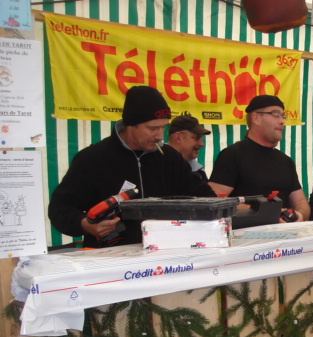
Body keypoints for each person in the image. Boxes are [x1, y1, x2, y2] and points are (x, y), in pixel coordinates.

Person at [48, 86, 216, 248]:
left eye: (163, 127)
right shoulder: (92, 158)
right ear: (130, 124)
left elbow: (204, 197)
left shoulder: (170, 158)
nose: (160, 135)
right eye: (152, 128)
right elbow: (60, 208)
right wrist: (85, 224)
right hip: (110, 258)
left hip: (164, 254)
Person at [208, 94, 310, 222]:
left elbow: (300, 201)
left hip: (286, 233)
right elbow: (215, 201)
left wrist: (300, 214)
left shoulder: (286, 161)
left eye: (283, 116)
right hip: (246, 233)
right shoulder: (233, 155)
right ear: (256, 118)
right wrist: (266, 212)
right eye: (275, 114)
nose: (282, 121)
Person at [166, 114, 211, 181]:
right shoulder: (156, 165)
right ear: (178, 138)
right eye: (196, 137)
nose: (201, 144)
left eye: (201, 138)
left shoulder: (198, 171)